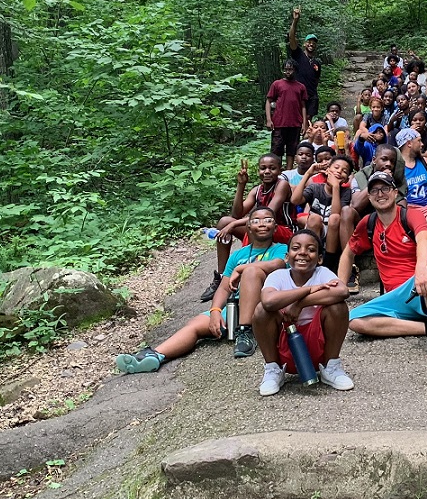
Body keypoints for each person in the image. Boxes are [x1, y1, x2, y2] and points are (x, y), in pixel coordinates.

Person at [117, 208, 288, 372]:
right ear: (249, 226)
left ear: (275, 226)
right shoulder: (238, 255)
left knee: (251, 271)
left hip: (261, 309)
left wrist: (242, 269)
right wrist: (215, 311)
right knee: (195, 324)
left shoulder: (281, 249)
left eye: (268, 220)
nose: (262, 223)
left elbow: (277, 264)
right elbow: (223, 287)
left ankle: (245, 331)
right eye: (256, 220)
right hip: (236, 307)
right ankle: (155, 355)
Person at [337, 173, 427, 366]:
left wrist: (421, 267)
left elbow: (424, 240)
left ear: (395, 192)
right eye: (374, 190)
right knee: (355, 320)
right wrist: (340, 287)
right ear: (370, 197)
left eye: (385, 188)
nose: (380, 194)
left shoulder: (409, 214)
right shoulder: (368, 224)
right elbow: (348, 253)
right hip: (398, 296)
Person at [252, 229, 354, 395]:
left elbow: (343, 291)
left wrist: (300, 304)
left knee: (338, 306)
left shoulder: (322, 273)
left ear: (320, 259)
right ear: (287, 256)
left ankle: (331, 367)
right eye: (296, 248)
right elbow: (269, 301)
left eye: (311, 249)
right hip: (285, 343)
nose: (303, 253)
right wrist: (308, 289)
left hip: (318, 345)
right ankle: (273, 370)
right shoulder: (278, 276)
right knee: (261, 310)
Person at [201, 155, 296, 301]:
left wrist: (234, 224)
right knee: (224, 221)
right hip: (264, 228)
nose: (267, 171)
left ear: (280, 170)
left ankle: (246, 272)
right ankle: (222, 277)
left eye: (272, 168)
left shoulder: (282, 185)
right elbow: (236, 213)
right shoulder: (257, 190)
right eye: (263, 168)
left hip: (284, 230)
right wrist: (241, 185)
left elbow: (267, 215)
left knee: (253, 225)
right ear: (258, 171)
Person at [266, 60, 309, 170]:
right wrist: (269, 119)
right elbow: (268, 101)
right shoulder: (277, 84)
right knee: (277, 149)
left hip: (295, 123)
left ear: (295, 70)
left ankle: (289, 172)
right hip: (279, 123)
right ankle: (277, 171)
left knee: (292, 149)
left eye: (290, 69)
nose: (287, 72)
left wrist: (304, 123)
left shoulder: (301, 87)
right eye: (285, 69)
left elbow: (303, 106)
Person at [288, 7, 322, 119]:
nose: (311, 44)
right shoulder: (298, 55)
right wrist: (295, 21)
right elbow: (291, 37)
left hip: (312, 97)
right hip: (298, 95)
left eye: (313, 43)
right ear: (304, 44)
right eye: (309, 42)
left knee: (308, 121)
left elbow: (316, 80)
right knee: (297, 119)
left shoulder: (317, 63)